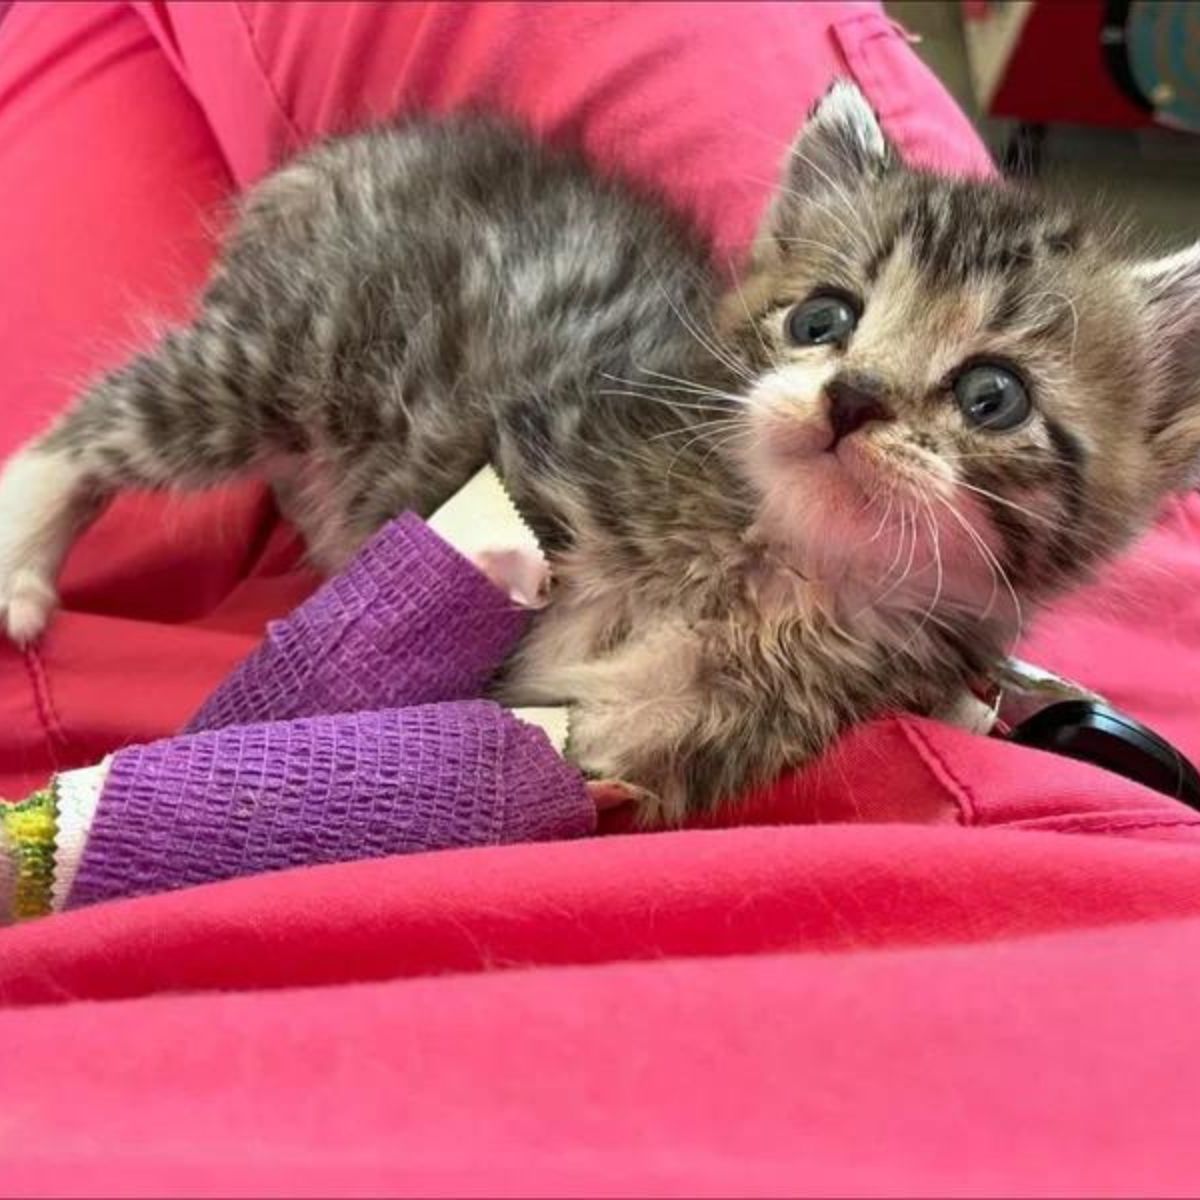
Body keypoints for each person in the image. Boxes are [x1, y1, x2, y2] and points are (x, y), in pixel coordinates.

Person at [3, 4, 1200, 1194]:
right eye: (825, 324)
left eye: (988, 397)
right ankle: (64, 467)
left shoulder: (903, 705)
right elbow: (500, 540)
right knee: (279, 369)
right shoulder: (650, 470)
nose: (862, 390)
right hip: (408, 274)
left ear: (1154, 439)